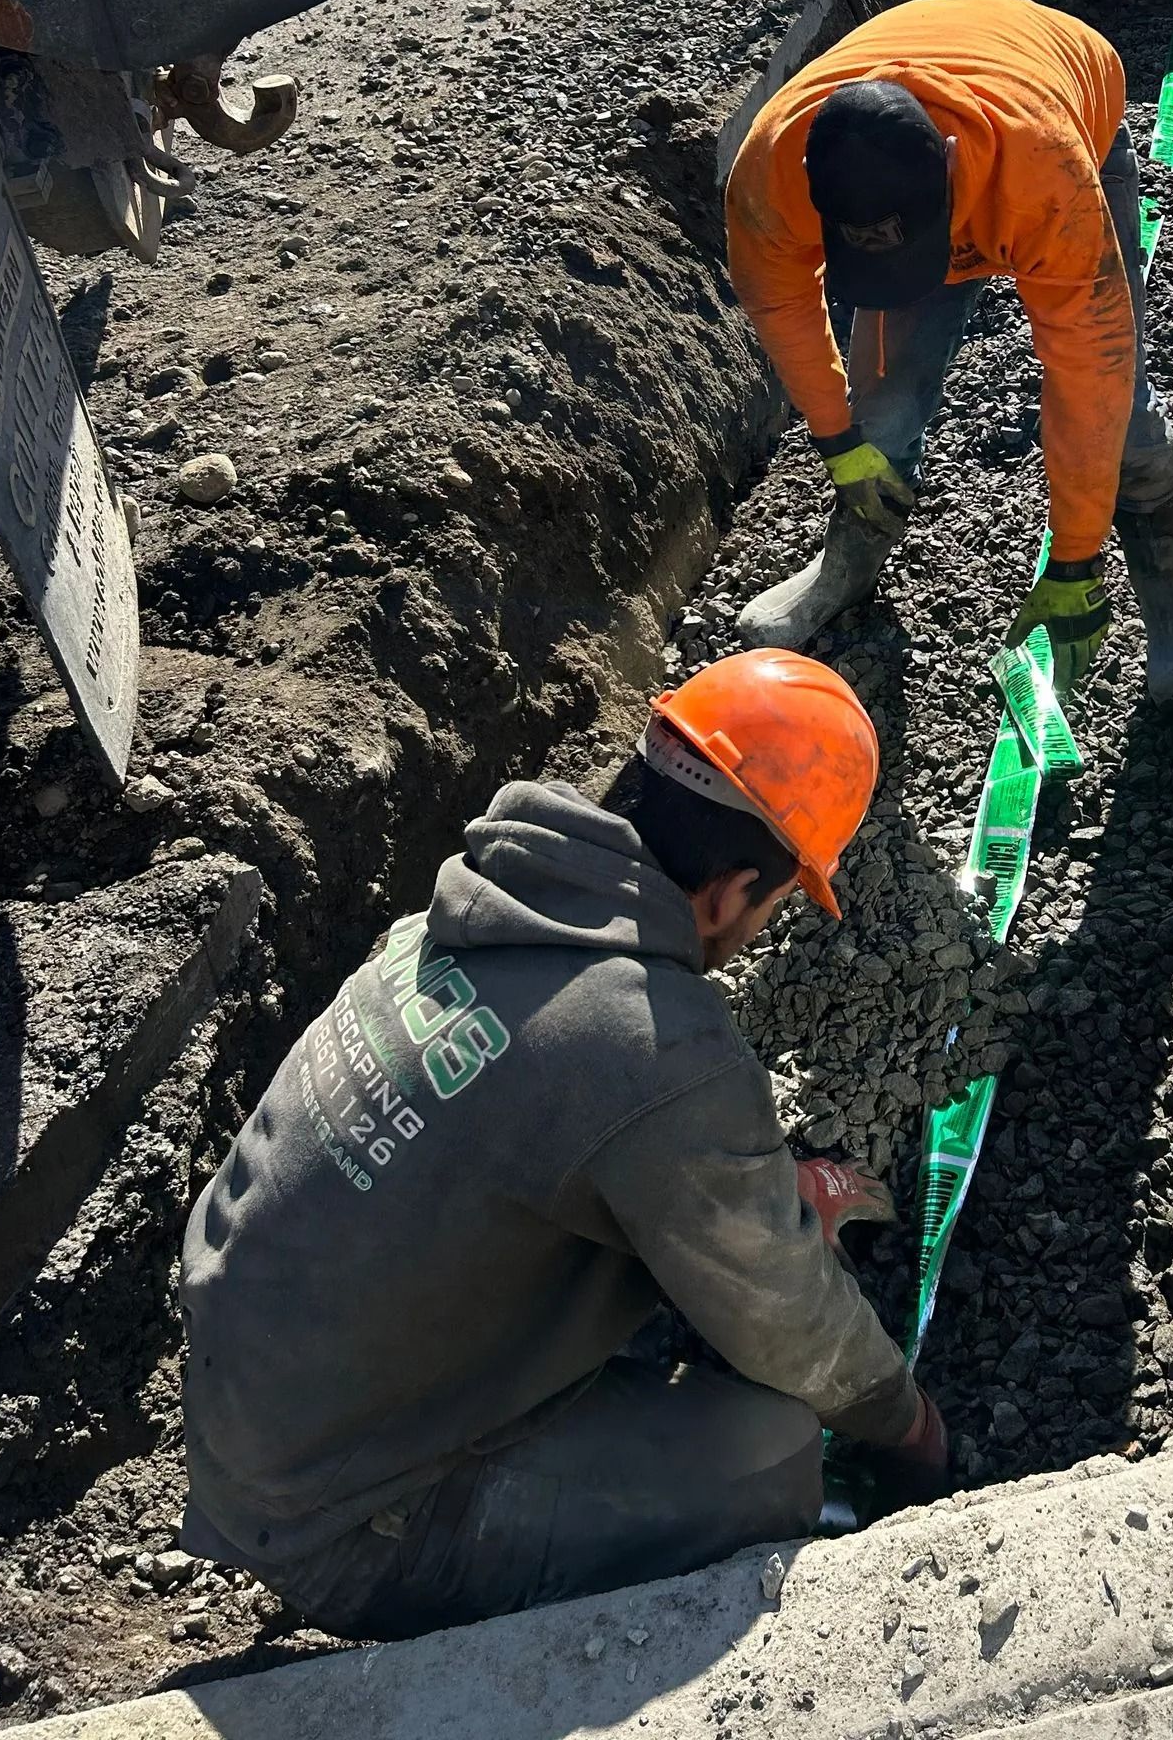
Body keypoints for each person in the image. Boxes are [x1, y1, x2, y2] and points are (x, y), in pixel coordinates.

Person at [176, 650, 945, 1637]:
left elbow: (546, 1123)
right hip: (348, 1516)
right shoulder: (652, 1049)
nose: (764, 927)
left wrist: (747, 1192)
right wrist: (907, 1423)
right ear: (729, 891)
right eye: (778, 901)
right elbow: (786, 1318)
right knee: (773, 1451)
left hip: (253, 1395)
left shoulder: (478, 908)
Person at [724, 0, 1173, 706]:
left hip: (1062, 100)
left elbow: (1087, 373)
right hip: (951, 117)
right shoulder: (773, 170)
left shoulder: (1045, 171)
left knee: (1125, 418)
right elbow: (781, 304)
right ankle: (852, 557)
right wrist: (840, 443)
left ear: (952, 163)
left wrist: (1075, 563)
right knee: (883, 402)